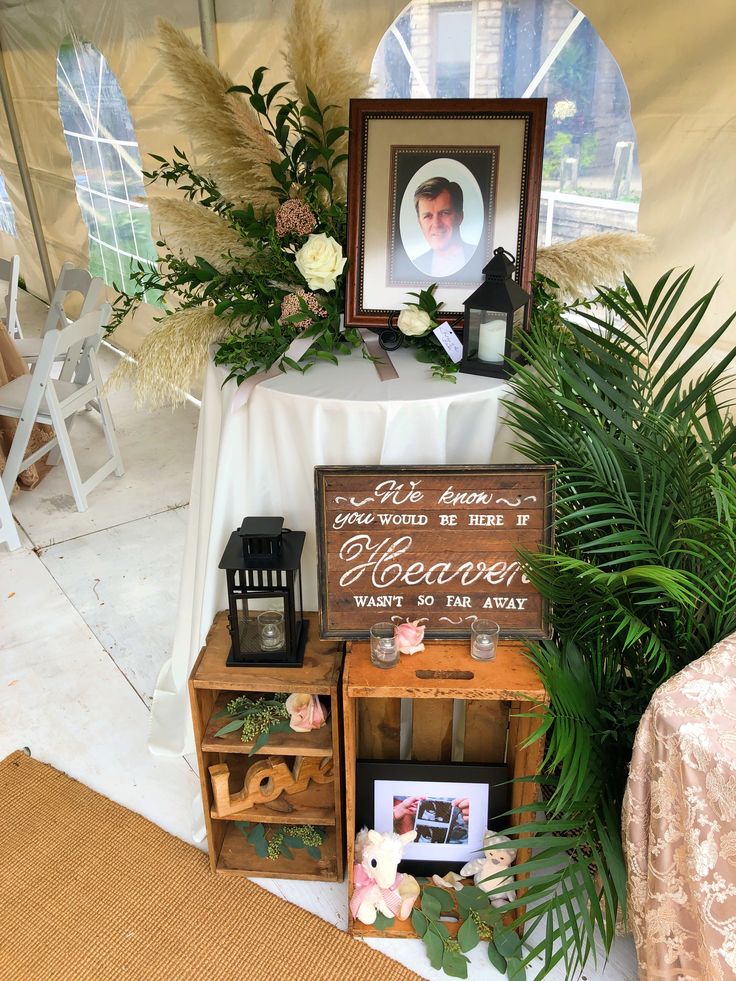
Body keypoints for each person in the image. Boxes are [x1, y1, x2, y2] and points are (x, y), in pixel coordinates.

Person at [410, 176, 477, 278]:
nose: (436, 224)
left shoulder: (480, 258)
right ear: (420, 223)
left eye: (444, 213)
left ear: (460, 217)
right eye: (428, 216)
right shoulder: (415, 266)